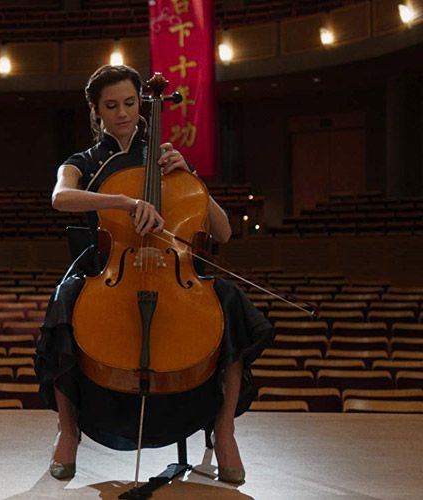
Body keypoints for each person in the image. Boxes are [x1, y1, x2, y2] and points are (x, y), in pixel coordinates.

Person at [35, 64, 274, 485]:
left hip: (171, 268)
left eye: (130, 102)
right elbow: (60, 197)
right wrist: (126, 202)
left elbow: (222, 232)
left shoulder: (164, 159)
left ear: (142, 105)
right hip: (108, 266)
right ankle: (67, 431)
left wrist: (191, 177)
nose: (123, 112)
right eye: (111, 105)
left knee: (233, 305)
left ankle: (225, 429)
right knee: (63, 304)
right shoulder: (83, 162)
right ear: (96, 111)